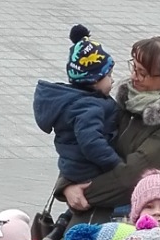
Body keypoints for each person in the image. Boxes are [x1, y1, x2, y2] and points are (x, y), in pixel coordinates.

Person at [57, 36, 160, 223]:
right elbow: (79, 144)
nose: (134, 76)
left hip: (127, 224)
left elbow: (131, 178)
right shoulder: (126, 102)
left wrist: (81, 192)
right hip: (89, 216)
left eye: (143, 73)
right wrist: (65, 186)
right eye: (134, 67)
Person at [33, 25, 120, 189]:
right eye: (108, 75)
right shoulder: (88, 107)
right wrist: (115, 164)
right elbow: (91, 142)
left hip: (73, 167)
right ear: (94, 79)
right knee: (124, 196)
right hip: (87, 169)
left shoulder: (79, 100)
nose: (113, 80)